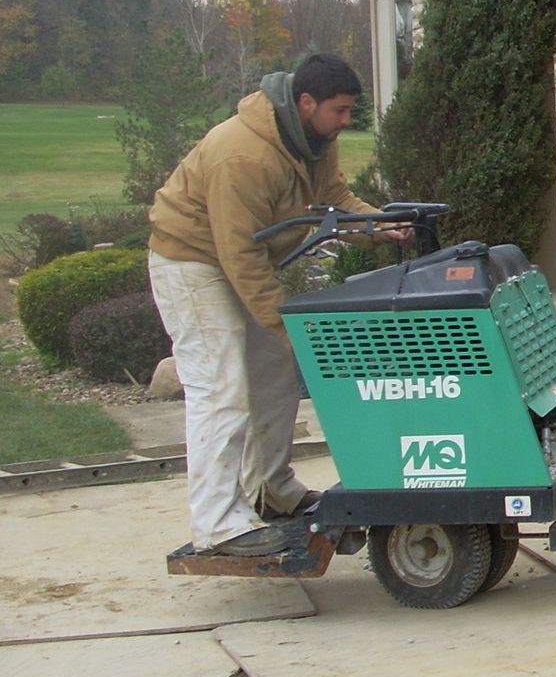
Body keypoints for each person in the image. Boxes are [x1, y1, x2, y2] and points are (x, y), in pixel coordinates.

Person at [148, 53, 404, 555]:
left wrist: (377, 226)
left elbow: (333, 197)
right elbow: (239, 253)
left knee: (275, 370)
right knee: (221, 387)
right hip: (193, 263)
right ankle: (218, 525)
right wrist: (282, 324)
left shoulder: (313, 139)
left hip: (238, 257)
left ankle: (272, 491)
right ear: (306, 102)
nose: (347, 121)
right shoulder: (241, 155)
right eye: (340, 110)